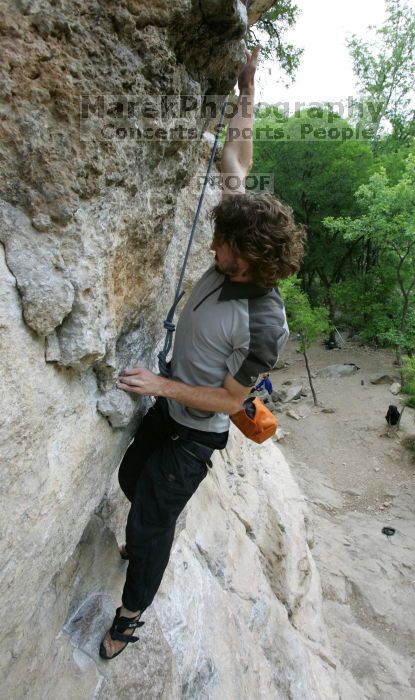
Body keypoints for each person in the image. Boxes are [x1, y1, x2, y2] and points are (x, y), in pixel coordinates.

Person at [99, 45, 305, 659]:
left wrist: (160, 387)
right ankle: (151, 532)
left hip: (195, 432)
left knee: (149, 524)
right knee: (130, 478)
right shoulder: (239, 241)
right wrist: (247, 89)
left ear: (251, 262)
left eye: (224, 251)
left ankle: (129, 616)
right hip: (170, 408)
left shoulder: (264, 324)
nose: (213, 250)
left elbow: (229, 399)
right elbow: (236, 159)